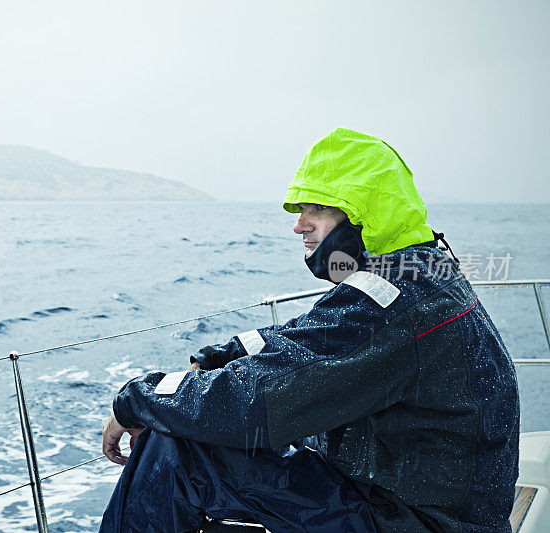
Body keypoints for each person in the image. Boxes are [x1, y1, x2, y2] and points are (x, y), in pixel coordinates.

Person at [99, 128, 520, 532]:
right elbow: (313, 336)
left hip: (411, 520)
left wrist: (136, 400)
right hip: (429, 503)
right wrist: (218, 357)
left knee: (180, 451)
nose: (299, 225)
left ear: (363, 214)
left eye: (317, 209)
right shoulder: (419, 269)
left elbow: (253, 402)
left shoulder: (396, 300)